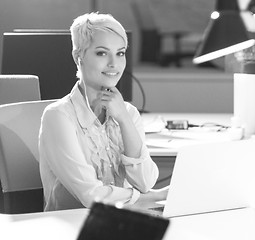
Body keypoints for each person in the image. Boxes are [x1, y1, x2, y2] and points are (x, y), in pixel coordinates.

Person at [38, 12, 167, 211]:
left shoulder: (129, 113)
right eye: (101, 53)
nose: (113, 64)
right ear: (77, 57)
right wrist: (150, 197)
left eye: (120, 53)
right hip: (72, 227)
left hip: (121, 222)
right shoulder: (58, 116)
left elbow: (145, 182)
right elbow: (91, 196)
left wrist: (124, 120)